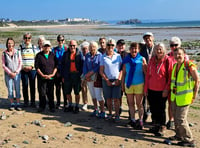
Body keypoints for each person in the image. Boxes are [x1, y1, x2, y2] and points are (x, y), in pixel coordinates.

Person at [168, 47, 199, 147]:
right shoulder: (176, 66)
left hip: (185, 97)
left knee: (181, 119)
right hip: (175, 97)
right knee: (176, 118)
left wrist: (194, 94)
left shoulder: (189, 65)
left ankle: (189, 139)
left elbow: (197, 80)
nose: (177, 56)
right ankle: (179, 135)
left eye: (180, 54)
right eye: (175, 54)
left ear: (184, 54)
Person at [144, 43, 172, 136]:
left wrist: (166, 89)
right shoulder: (152, 60)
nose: (159, 51)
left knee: (161, 108)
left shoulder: (167, 60)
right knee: (153, 108)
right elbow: (148, 75)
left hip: (162, 90)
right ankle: (155, 125)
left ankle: (162, 126)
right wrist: (146, 89)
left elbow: (170, 77)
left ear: (164, 50)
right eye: (157, 49)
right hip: (151, 89)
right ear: (154, 51)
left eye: (160, 49)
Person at [122, 42, 147, 129]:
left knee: (139, 104)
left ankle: (140, 121)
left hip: (139, 84)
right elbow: (124, 74)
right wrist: (122, 85)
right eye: (132, 48)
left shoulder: (142, 59)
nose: (134, 50)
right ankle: (132, 119)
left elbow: (146, 74)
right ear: (130, 50)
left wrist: (146, 87)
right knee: (131, 103)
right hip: (128, 84)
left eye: (135, 48)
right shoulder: (126, 60)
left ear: (138, 50)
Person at [166, 36, 189, 129]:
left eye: (176, 45)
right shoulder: (168, 56)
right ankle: (171, 120)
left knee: (181, 111)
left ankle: (183, 130)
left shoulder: (185, 58)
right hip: (172, 85)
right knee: (171, 104)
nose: (174, 47)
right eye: (172, 45)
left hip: (183, 88)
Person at [100, 38, 122, 122]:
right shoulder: (103, 57)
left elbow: (121, 69)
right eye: (109, 45)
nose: (110, 47)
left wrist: (119, 79)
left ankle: (117, 115)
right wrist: (106, 80)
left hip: (117, 80)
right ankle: (109, 114)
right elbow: (101, 71)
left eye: (112, 45)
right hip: (106, 80)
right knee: (108, 99)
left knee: (116, 99)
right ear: (106, 46)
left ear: (114, 46)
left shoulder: (118, 56)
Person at [83, 41, 106, 118]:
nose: (92, 48)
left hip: (97, 78)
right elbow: (85, 65)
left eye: (93, 47)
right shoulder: (87, 55)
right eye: (90, 46)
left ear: (96, 47)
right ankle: (96, 109)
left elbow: (99, 65)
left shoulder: (100, 55)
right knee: (93, 95)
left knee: (98, 95)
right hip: (89, 78)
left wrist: (91, 72)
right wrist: (86, 75)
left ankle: (102, 111)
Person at [35, 40, 57, 113]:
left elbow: (56, 66)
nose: (46, 47)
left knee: (50, 92)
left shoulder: (53, 55)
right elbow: (37, 67)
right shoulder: (39, 55)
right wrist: (42, 75)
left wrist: (53, 74)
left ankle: (51, 107)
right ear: (42, 47)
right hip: (42, 77)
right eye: (45, 46)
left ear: (50, 47)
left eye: (48, 46)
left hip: (51, 77)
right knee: (42, 92)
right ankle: (42, 106)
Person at [61, 40, 83, 113]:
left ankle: (76, 106)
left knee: (77, 92)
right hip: (68, 75)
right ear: (68, 46)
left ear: (76, 46)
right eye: (71, 46)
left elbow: (82, 65)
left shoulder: (80, 54)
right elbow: (62, 65)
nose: (72, 47)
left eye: (74, 45)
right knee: (67, 91)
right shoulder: (65, 54)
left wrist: (81, 75)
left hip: (76, 75)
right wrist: (63, 76)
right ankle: (70, 105)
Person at [2, 38, 22, 111]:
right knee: (10, 89)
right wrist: (10, 72)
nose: (10, 44)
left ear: (14, 44)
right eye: (8, 43)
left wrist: (16, 72)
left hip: (17, 73)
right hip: (8, 74)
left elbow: (20, 63)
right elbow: (3, 65)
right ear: (7, 44)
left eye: (11, 43)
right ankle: (12, 104)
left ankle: (18, 103)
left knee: (17, 88)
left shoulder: (17, 52)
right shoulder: (4, 53)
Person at [18, 33, 37, 107]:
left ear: (31, 39)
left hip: (32, 70)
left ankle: (33, 102)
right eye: (25, 38)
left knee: (32, 86)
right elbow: (19, 59)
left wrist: (31, 67)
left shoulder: (33, 47)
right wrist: (23, 67)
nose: (27, 39)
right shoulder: (20, 47)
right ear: (23, 39)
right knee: (25, 86)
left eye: (28, 38)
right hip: (23, 70)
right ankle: (26, 101)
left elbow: (36, 59)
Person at [140, 32, 155, 122]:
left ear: (153, 38)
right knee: (143, 97)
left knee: (152, 97)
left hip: (154, 76)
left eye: (149, 39)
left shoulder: (157, 48)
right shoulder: (142, 49)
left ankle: (153, 116)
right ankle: (144, 115)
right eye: (146, 39)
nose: (148, 41)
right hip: (143, 75)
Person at [52, 35, 68, 109]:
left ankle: (65, 102)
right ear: (57, 41)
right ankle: (58, 102)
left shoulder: (66, 49)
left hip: (65, 71)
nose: (60, 42)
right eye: (59, 40)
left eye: (62, 40)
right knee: (57, 88)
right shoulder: (54, 50)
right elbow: (52, 60)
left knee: (65, 88)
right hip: (57, 71)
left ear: (64, 41)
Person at [116, 39, 128, 115]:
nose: (121, 46)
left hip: (126, 78)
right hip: (117, 78)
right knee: (118, 95)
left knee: (128, 96)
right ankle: (119, 108)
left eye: (122, 45)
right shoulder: (115, 54)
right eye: (119, 45)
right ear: (117, 46)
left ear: (125, 46)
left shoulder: (128, 55)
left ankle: (130, 111)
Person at [80, 41, 90, 111]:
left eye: (86, 48)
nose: (85, 50)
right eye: (83, 49)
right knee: (84, 89)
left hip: (92, 74)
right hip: (83, 75)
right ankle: (85, 103)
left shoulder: (90, 55)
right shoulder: (80, 56)